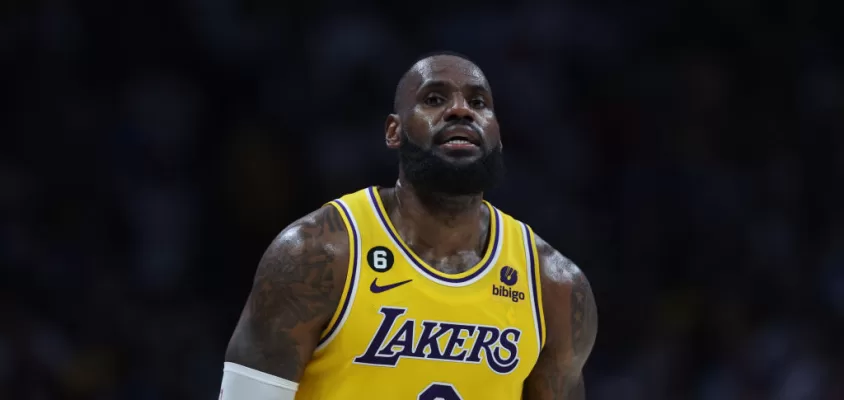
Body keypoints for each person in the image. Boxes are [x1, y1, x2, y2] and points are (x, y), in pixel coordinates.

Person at [219, 51, 598, 399]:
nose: (461, 111)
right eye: (435, 99)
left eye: (478, 102)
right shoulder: (316, 255)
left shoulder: (555, 287)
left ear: (498, 134)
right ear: (393, 131)